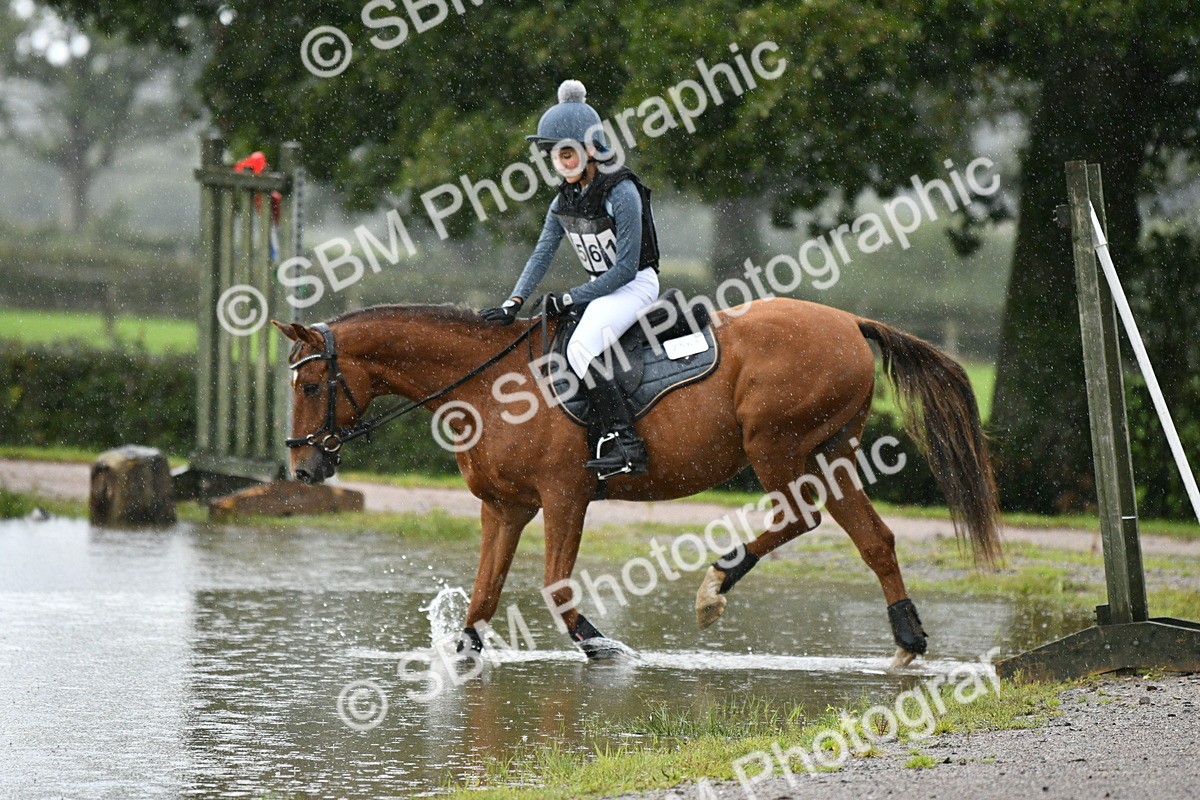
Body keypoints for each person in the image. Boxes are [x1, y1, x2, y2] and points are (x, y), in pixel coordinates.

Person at [481, 79, 661, 477]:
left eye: (566, 152)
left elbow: (625, 270)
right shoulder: (564, 198)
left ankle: (627, 443)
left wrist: (570, 298)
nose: (560, 162)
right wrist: (514, 302)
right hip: (603, 290)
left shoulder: (622, 191)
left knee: (580, 348)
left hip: (636, 286)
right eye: (555, 155)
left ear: (591, 150)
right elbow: (542, 251)